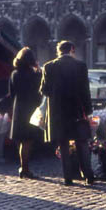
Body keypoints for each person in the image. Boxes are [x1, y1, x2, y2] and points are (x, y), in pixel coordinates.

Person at [40, 40, 95, 186]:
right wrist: (88, 110)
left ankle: (68, 178)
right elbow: (85, 91)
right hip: (77, 110)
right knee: (82, 142)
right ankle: (88, 175)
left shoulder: (48, 66)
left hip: (58, 112)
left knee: (63, 144)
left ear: (58, 51)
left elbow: (44, 90)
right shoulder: (80, 66)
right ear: (72, 49)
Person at [8, 47, 42, 179]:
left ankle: (24, 166)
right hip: (30, 110)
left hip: (18, 109)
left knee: (22, 141)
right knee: (27, 141)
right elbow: (40, 92)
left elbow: (12, 94)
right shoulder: (35, 75)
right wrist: (38, 70)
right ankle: (25, 169)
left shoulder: (14, 74)